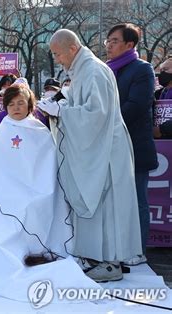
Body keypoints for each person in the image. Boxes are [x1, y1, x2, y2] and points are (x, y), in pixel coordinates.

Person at [38, 29, 142, 282]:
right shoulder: (83, 70)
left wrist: (62, 113)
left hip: (105, 151)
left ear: (72, 48)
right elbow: (81, 107)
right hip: (98, 147)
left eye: (58, 53)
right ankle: (97, 257)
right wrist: (60, 106)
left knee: (106, 205)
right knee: (98, 205)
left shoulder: (93, 71)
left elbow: (97, 114)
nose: (58, 59)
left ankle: (110, 262)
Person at [0, 83, 94, 301]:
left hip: (37, 189)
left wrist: (34, 188)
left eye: (21, 103)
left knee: (34, 207)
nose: (16, 108)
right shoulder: (2, 130)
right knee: (7, 212)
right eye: (11, 104)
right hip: (5, 192)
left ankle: (37, 251)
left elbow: (48, 167)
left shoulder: (39, 131)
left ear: (30, 104)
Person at [105, 23, 158, 265]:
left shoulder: (142, 69)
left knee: (137, 201)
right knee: (114, 202)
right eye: (108, 40)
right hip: (109, 147)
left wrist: (105, 124)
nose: (109, 44)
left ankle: (138, 251)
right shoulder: (105, 70)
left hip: (134, 146)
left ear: (129, 44)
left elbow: (136, 106)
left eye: (114, 40)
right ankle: (116, 246)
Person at [153, 57, 172, 138]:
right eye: (161, 70)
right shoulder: (157, 94)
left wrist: (161, 129)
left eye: (165, 69)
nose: (162, 73)